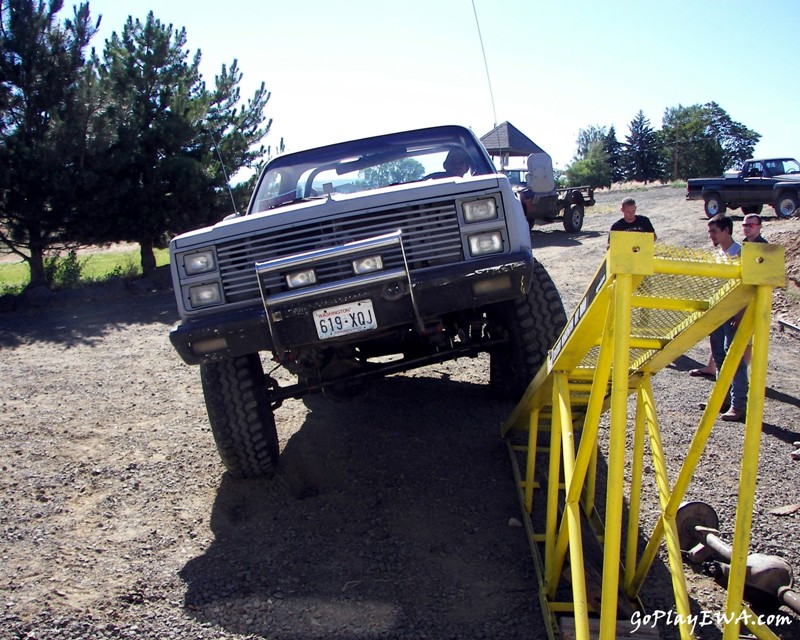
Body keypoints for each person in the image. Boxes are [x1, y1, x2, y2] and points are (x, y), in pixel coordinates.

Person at [706, 213, 748, 422]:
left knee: (735, 359)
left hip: (734, 313)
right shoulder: (718, 254)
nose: (710, 235)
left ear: (726, 231)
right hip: (718, 313)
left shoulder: (740, 253)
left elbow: (747, 287)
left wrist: (741, 313)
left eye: (714, 231)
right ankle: (722, 398)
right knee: (720, 357)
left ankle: (738, 405)